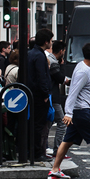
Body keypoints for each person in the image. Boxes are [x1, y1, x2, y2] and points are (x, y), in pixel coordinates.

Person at [48, 42, 90, 179]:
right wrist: (68, 113)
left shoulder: (81, 66)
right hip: (82, 111)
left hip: (78, 111)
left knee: (67, 141)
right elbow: (73, 92)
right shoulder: (83, 71)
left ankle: (55, 170)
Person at [27, 28, 53, 161]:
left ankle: (32, 151)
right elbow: (41, 77)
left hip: (31, 93)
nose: (52, 43)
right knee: (39, 125)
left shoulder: (31, 53)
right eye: (51, 40)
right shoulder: (39, 55)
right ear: (46, 41)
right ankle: (37, 153)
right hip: (38, 95)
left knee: (33, 124)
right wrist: (45, 94)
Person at [48, 40, 71, 158]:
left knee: (48, 123)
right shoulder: (53, 63)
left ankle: (44, 147)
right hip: (53, 98)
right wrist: (62, 66)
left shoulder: (50, 60)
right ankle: (57, 151)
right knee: (62, 123)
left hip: (49, 96)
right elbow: (61, 79)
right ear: (61, 51)